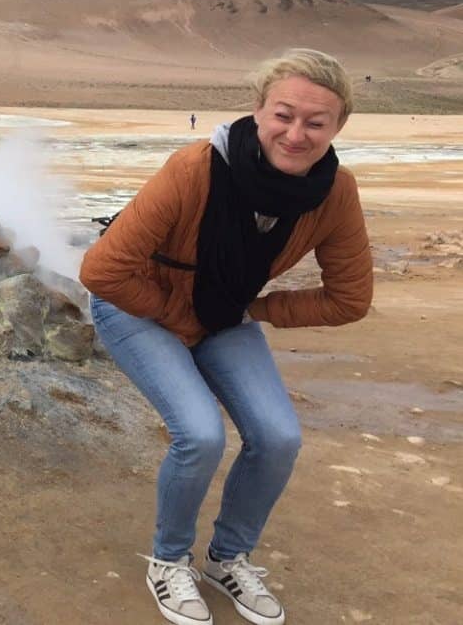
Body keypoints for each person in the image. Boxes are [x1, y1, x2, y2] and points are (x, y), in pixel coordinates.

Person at [80, 48, 372, 625]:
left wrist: (256, 309)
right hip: (136, 304)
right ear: (258, 109)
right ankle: (168, 561)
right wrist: (180, 314)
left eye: (316, 122)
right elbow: (103, 271)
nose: (296, 134)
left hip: (223, 313)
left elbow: (349, 299)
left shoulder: (335, 193)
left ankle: (228, 557)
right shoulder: (194, 170)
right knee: (200, 434)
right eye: (284, 115)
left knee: (279, 437)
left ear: (338, 127)